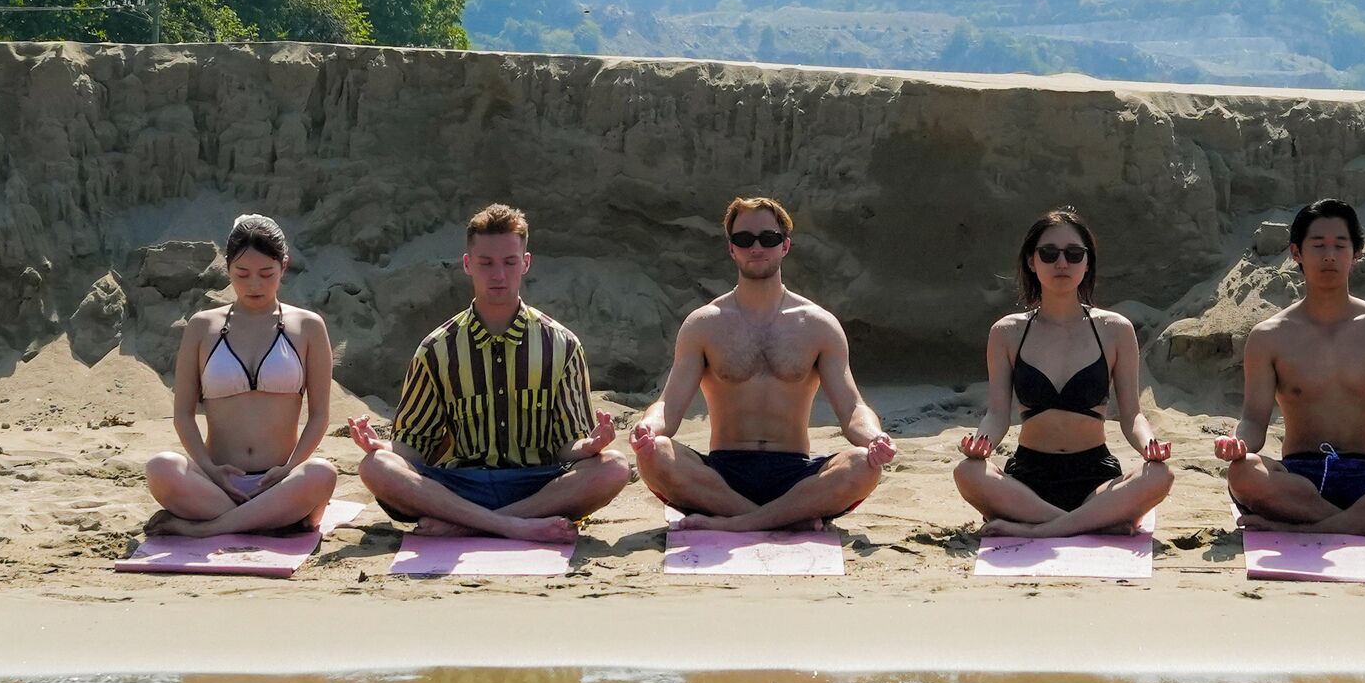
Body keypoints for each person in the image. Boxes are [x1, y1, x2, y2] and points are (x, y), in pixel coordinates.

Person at [346, 202, 634, 544]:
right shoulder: (437, 348)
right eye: (486, 263)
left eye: (509, 262)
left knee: (613, 466)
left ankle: (474, 526)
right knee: (375, 467)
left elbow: (566, 447)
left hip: (537, 485)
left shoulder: (562, 345)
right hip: (460, 485)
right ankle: (509, 525)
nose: (498, 274)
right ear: (468, 265)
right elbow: (415, 445)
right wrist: (382, 446)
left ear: (525, 263)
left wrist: (592, 443)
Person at [629, 195, 898, 532]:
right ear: (731, 249)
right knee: (654, 455)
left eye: (768, 238)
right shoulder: (704, 324)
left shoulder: (818, 324)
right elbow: (668, 406)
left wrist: (874, 438)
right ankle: (775, 519)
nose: (756, 247)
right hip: (723, 474)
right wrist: (648, 429)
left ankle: (737, 523)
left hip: (795, 472)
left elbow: (852, 408)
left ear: (785, 246)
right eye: (744, 239)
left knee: (863, 464)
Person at [1211, 197, 1365, 536]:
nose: (1329, 255)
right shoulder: (1269, 336)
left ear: (1356, 253)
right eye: (1318, 245)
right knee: (1243, 473)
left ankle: (1306, 529)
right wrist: (1238, 444)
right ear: (1297, 253)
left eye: (1340, 245)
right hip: (1299, 474)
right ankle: (1364, 525)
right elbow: (1253, 419)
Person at [951, 206, 1177, 538]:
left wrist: (1149, 444)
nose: (1062, 263)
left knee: (1160, 475)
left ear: (1087, 263)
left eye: (1074, 254)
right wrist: (981, 445)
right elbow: (997, 414)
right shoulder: (1007, 332)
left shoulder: (1115, 329)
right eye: (1049, 253)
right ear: (1032, 261)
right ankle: (1086, 523)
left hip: (1094, 476)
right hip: (1028, 477)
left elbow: (1132, 415)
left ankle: (1040, 530)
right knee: (967, 472)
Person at [142, 214, 340, 536]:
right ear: (227, 267)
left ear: (284, 265)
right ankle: (264, 519)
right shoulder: (202, 326)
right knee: (161, 468)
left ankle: (205, 529)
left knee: (322, 473)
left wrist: (289, 469)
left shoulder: (308, 326)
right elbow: (183, 414)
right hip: (217, 482)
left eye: (266, 273)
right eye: (242, 274)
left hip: (278, 480)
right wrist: (209, 469)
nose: (254, 285)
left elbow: (319, 416)